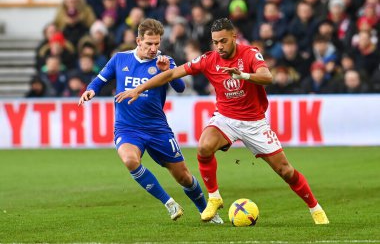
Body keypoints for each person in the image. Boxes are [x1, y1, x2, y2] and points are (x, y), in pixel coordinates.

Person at [115, 18, 330, 225]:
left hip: (254, 123)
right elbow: (172, 74)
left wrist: (243, 75)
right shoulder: (208, 59)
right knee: (204, 147)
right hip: (225, 119)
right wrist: (138, 89)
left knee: (286, 171)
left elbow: (267, 77)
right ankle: (214, 197)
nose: (219, 46)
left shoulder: (250, 54)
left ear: (234, 37)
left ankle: (315, 208)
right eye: (215, 41)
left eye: (223, 41)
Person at [78, 18, 223, 223]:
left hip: (157, 129)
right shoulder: (120, 59)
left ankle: (207, 211)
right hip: (127, 128)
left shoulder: (165, 61)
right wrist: (90, 90)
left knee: (183, 176)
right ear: (138, 40)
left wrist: (167, 72)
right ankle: (169, 203)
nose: (154, 48)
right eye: (149, 44)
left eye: (157, 43)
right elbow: (100, 80)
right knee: (130, 160)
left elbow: (181, 88)